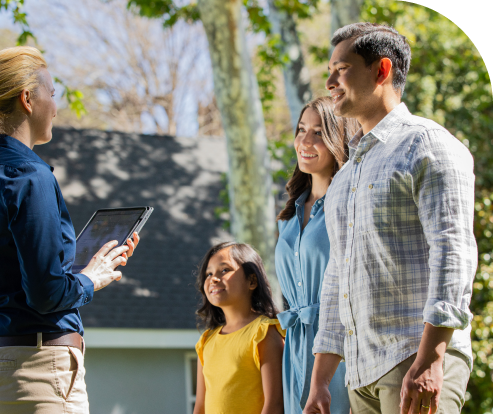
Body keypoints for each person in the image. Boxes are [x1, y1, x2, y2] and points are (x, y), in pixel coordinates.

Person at [0, 46, 140, 414]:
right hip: (33, 374)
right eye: (52, 93)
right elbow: (46, 294)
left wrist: (85, 267)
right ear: (27, 99)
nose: (56, 105)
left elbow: (13, 273)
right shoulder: (30, 176)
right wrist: (90, 279)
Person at [305, 23, 477, 414]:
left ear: (381, 71)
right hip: (361, 374)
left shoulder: (427, 144)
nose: (330, 81)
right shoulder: (345, 175)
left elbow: (454, 252)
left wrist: (432, 358)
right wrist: (320, 382)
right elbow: (337, 278)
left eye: (341, 68)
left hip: (414, 356)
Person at [275, 96, 358, 414]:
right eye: (300, 130)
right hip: (294, 346)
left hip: (339, 346)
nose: (304, 141)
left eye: (319, 133)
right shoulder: (286, 218)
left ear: (339, 138)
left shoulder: (350, 205)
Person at [193, 242, 286, 414]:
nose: (213, 278)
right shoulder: (206, 341)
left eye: (225, 270)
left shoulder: (264, 332)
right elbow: (200, 406)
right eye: (209, 273)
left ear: (251, 281)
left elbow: (275, 404)